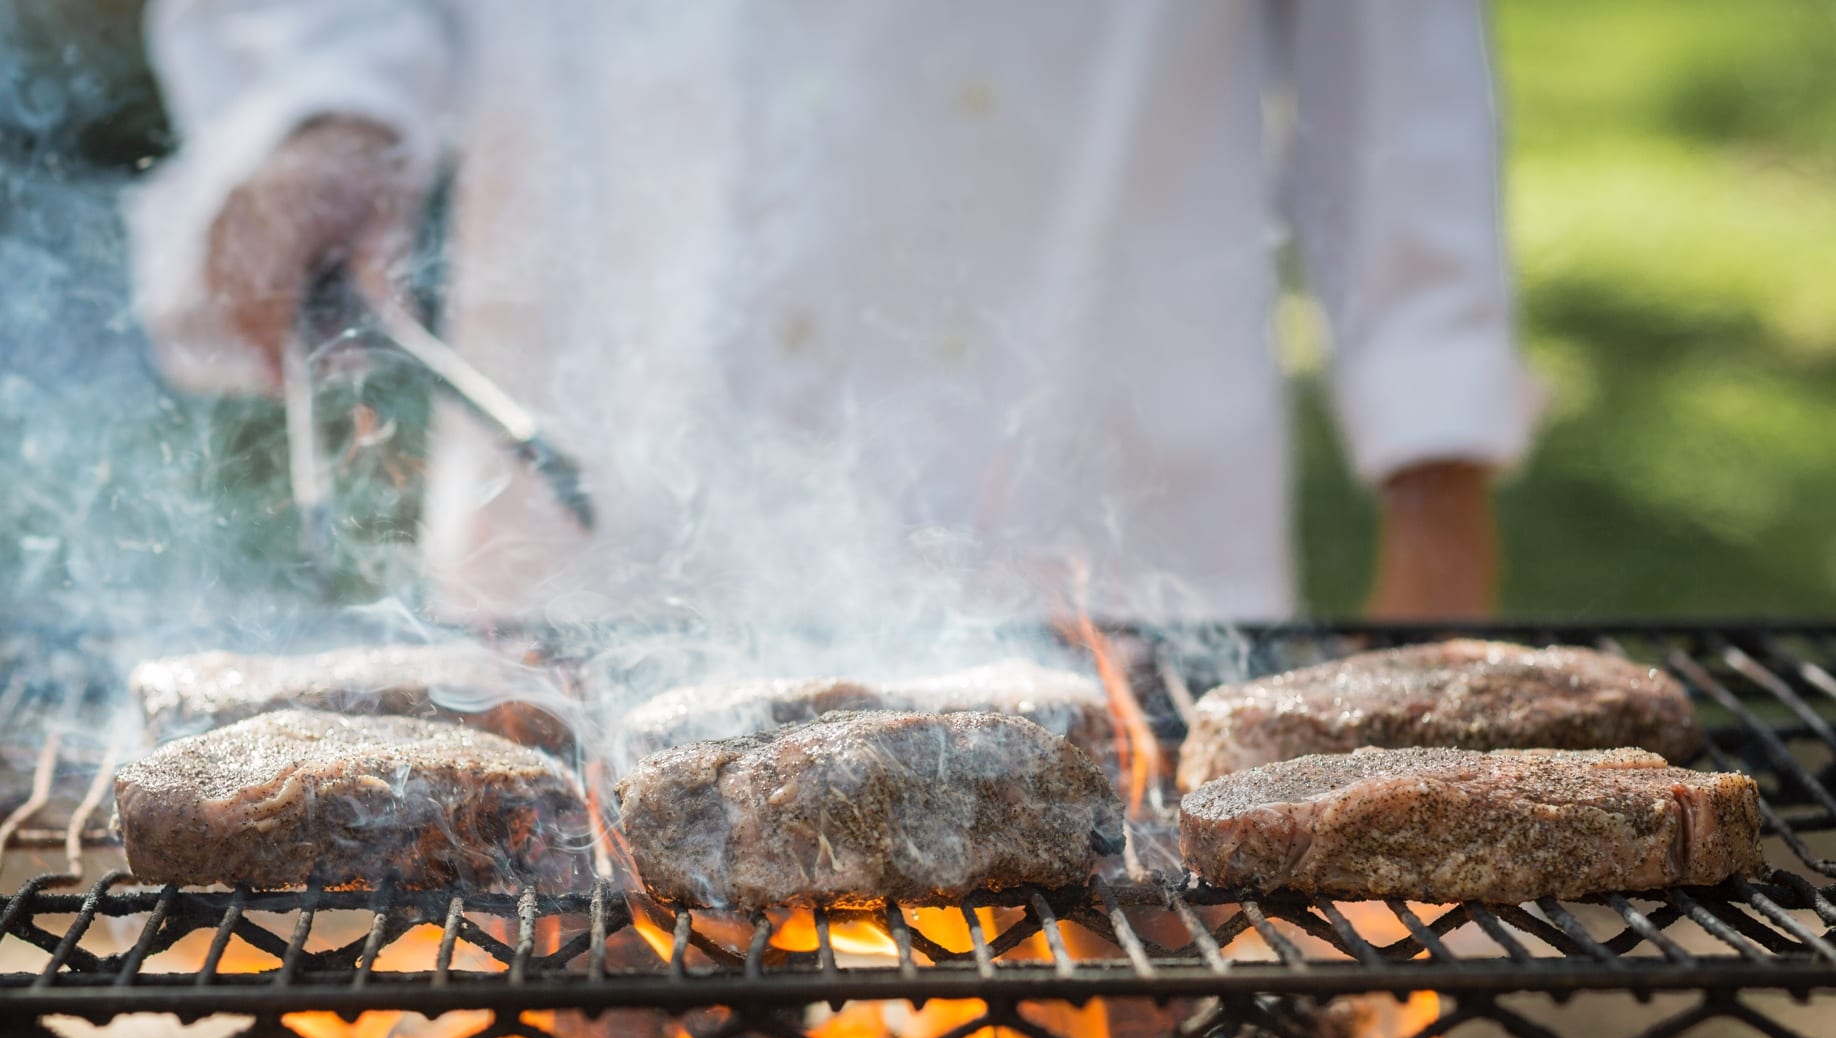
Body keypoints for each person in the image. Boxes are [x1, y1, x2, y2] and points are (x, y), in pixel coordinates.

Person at [129, 0, 1538, 625]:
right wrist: (321, 108)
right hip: (585, 544)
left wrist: (1437, 489)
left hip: (1103, 549)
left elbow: (1394, 63)